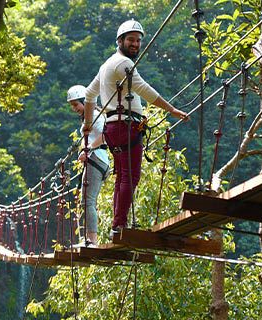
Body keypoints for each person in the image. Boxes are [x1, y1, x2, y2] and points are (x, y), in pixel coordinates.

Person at [82, 19, 189, 234]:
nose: (135, 44)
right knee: (130, 177)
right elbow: (144, 89)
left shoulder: (105, 66)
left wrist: (87, 123)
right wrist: (172, 110)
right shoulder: (124, 64)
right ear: (119, 41)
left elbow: (89, 96)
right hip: (125, 127)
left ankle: (117, 224)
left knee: (122, 176)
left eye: (138, 41)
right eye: (131, 39)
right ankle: (119, 225)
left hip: (113, 129)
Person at [67, 85, 110, 246]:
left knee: (88, 201)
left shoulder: (95, 116)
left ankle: (92, 240)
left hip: (96, 159)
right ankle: (88, 239)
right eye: (72, 106)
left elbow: (106, 134)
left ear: (84, 101)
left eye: (75, 104)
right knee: (85, 201)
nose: (74, 109)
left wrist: (89, 148)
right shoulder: (89, 118)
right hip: (96, 159)